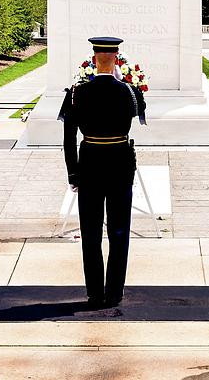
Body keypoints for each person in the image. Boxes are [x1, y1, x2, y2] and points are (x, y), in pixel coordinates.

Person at [59, 36, 146, 309]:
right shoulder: (131, 92)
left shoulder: (76, 93)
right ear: (117, 57)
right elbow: (139, 115)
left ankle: (95, 292)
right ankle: (115, 292)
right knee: (119, 230)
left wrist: (73, 174)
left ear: (93, 58)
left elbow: (68, 139)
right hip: (120, 163)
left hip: (90, 164)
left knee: (91, 231)